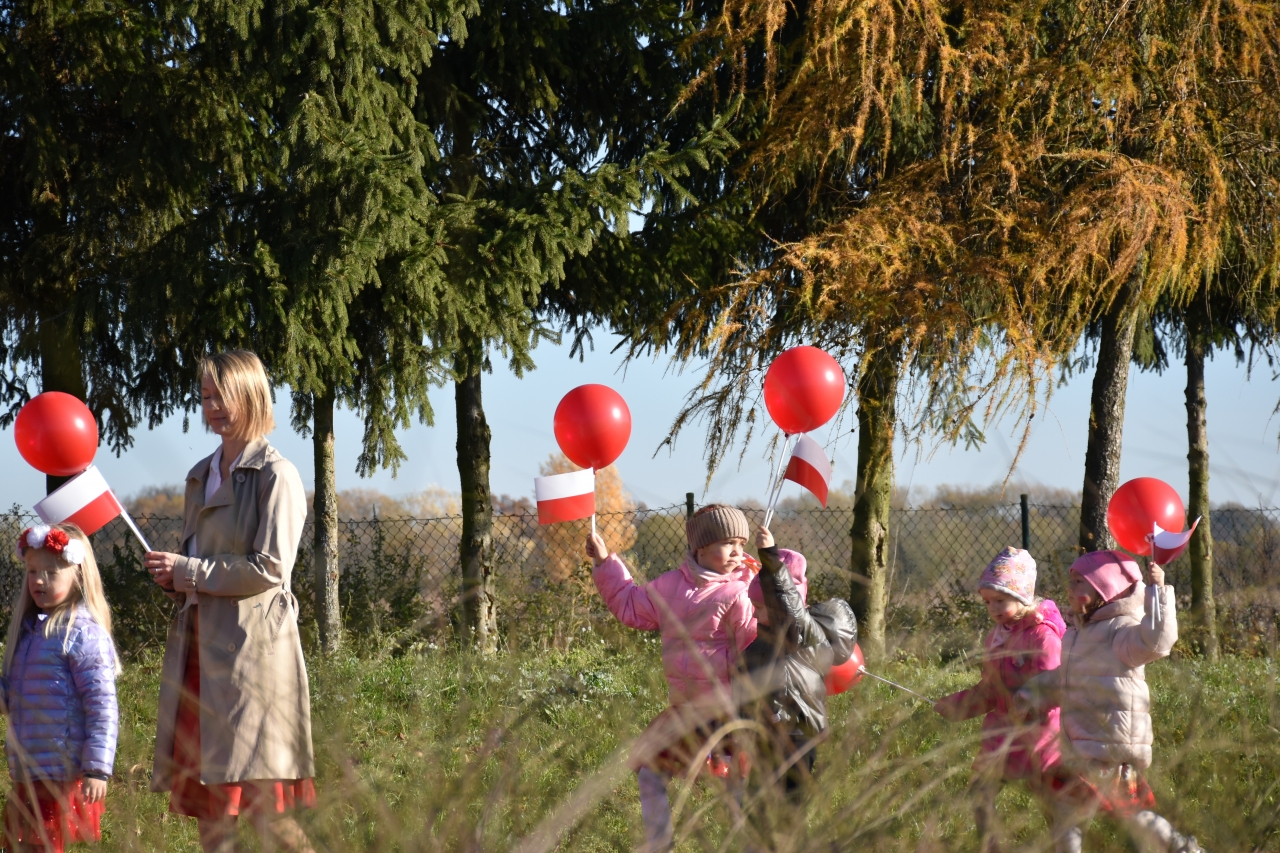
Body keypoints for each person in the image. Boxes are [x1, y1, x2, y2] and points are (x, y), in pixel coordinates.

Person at [142, 350, 315, 853]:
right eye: (206, 397)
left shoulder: (277, 475)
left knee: (267, 813)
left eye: (223, 396)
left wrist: (188, 571)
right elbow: (199, 564)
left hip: (252, 662)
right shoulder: (200, 474)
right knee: (212, 810)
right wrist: (174, 577)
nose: (213, 407)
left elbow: (270, 568)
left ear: (253, 396)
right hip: (199, 654)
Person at [586, 504, 758, 853]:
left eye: (742, 544)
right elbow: (630, 605)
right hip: (685, 713)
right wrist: (604, 562)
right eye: (728, 543)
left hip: (726, 715)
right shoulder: (670, 586)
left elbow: (755, 654)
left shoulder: (741, 594)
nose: (738, 552)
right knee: (650, 772)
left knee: (735, 787)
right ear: (701, 547)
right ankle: (659, 844)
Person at [1017, 550, 1204, 853]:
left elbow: (1158, 641)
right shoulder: (1076, 635)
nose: (1070, 588)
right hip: (1079, 750)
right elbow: (1064, 678)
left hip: (1110, 751)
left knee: (1133, 817)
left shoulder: (1121, 632)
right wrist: (1031, 695)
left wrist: (1157, 591)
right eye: (1070, 581)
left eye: (1079, 582)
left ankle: (1181, 847)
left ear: (1104, 590)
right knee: (1068, 814)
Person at [933, 547, 1066, 853]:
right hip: (1001, 734)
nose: (992, 608)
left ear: (1022, 597)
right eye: (987, 601)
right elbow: (990, 689)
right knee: (981, 793)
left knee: (1051, 800)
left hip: (1038, 736)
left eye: (1000, 600)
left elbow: (1054, 684)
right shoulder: (997, 636)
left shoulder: (1042, 636)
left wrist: (1029, 704)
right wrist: (959, 705)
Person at [735, 524, 857, 843]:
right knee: (755, 812)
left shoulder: (800, 634)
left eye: (760, 607)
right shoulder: (763, 641)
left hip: (795, 734)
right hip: (767, 734)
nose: (754, 614)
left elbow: (785, 601)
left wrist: (769, 557)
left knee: (787, 812)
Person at [3, 523, 119, 853]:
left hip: (62, 775)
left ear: (78, 577)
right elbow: (13, 697)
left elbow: (102, 706)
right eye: (32, 571)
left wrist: (97, 768)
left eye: (51, 573)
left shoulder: (83, 635)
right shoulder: (29, 633)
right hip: (29, 771)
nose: (38, 580)